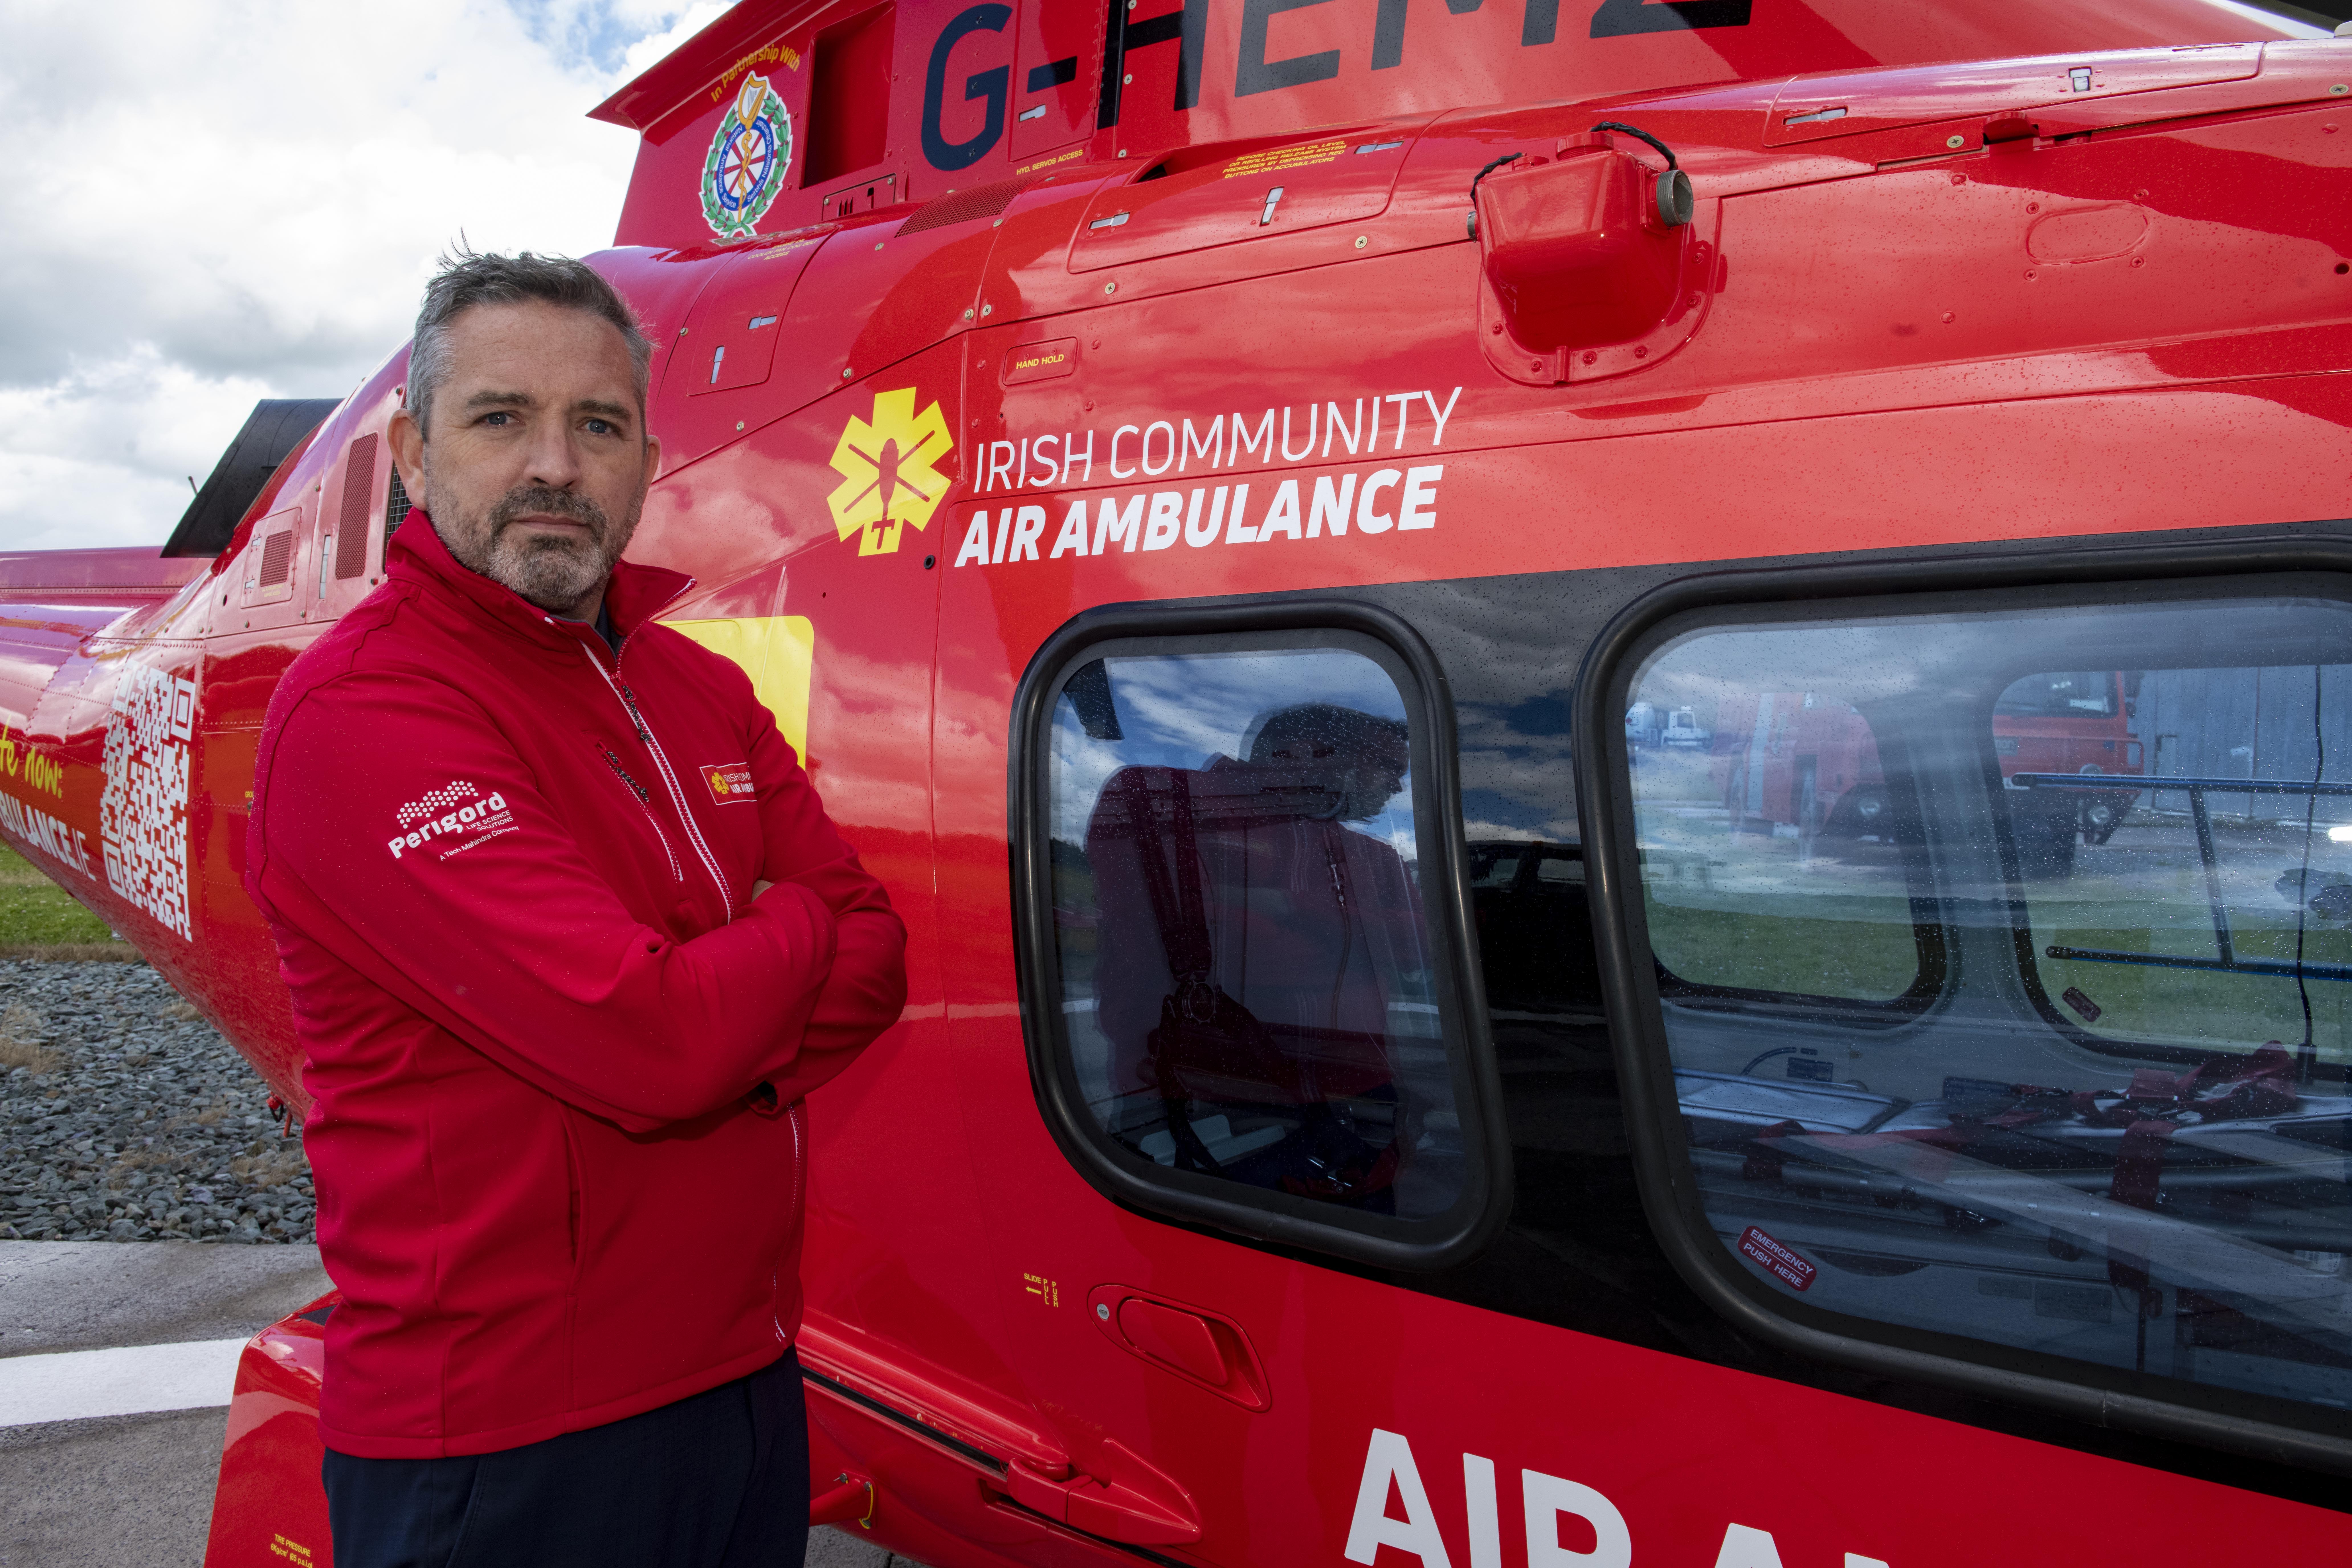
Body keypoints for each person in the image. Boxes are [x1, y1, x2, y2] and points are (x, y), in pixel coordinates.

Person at [247, 250, 906, 1568]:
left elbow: (877, 949)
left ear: (645, 461)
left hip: (741, 1384)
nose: (554, 463)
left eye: (596, 425)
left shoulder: (690, 687)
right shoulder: (366, 710)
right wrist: (780, 938)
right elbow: (657, 1044)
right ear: (416, 458)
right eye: (501, 418)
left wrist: (731, 1000)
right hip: (503, 1448)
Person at [1083, 700, 1425, 1206]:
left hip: (1363, 1094)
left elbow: (1421, 945)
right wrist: (1352, 941)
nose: (1399, 786)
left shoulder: (1372, 853)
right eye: (1389, 768)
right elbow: (1204, 953)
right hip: (1205, 1098)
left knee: (1357, 1275)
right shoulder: (1157, 802)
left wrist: (1289, 907)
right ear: (1309, 755)